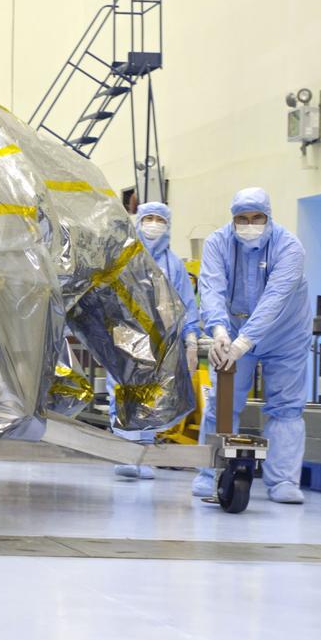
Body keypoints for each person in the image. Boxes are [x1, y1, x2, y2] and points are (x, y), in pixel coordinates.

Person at [192, 187, 311, 504]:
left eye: (256, 217)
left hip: (285, 334)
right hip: (232, 330)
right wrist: (219, 331)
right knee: (223, 400)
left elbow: (275, 300)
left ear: (268, 216)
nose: (249, 223)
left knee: (286, 406)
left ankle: (283, 480)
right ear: (232, 219)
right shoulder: (218, 243)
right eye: (241, 218)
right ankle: (211, 472)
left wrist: (244, 342)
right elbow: (211, 287)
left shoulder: (289, 248)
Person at [108, 202, 201, 479]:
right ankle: (125, 453)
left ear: (168, 225)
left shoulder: (174, 266)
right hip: (128, 333)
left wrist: (192, 340)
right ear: (138, 222)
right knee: (126, 390)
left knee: (152, 396)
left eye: (158, 219)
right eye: (148, 218)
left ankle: (144, 455)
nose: (153, 224)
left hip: (161, 339)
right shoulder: (125, 256)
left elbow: (186, 303)